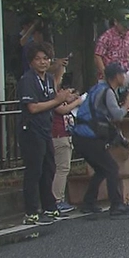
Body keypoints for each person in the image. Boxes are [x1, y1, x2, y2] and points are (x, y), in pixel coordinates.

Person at [18, 43, 78, 226]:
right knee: (34, 170)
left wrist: (65, 99)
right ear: (31, 61)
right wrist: (58, 100)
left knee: (49, 168)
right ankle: (31, 211)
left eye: (46, 58)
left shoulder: (49, 79)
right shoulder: (27, 80)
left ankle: (49, 207)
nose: (43, 62)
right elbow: (33, 107)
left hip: (46, 129)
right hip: (31, 129)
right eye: (38, 59)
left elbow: (52, 102)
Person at [71, 63, 129, 217]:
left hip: (81, 136)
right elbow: (117, 116)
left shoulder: (97, 88)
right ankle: (116, 205)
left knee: (102, 169)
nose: (124, 77)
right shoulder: (107, 92)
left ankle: (88, 202)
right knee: (111, 168)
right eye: (123, 74)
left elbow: (104, 119)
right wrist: (128, 101)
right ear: (116, 76)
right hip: (89, 138)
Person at [51, 74, 82, 213]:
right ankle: (58, 200)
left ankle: (57, 199)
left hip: (63, 134)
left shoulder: (57, 95)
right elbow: (62, 109)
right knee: (62, 168)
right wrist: (78, 102)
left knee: (60, 168)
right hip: (59, 135)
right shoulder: (53, 95)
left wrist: (71, 98)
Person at [94, 8, 129, 79]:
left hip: (125, 73)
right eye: (124, 26)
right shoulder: (106, 37)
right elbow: (98, 56)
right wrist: (105, 74)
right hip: (110, 74)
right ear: (116, 22)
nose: (127, 28)